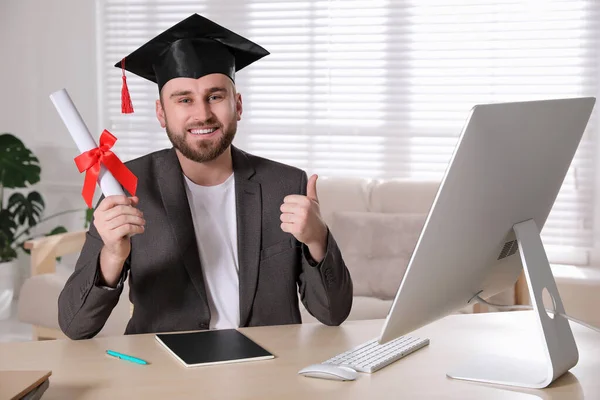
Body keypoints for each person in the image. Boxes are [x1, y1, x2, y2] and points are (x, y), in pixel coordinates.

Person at [57, 13, 353, 340]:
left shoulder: (285, 186)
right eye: (184, 100)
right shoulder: (127, 186)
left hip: (266, 369)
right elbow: (75, 326)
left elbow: (333, 313)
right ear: (161, 113)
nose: (202, 114)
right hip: (168, 373)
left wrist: (316, 239)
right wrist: (112, 255)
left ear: (237, 105)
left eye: (215, 96)